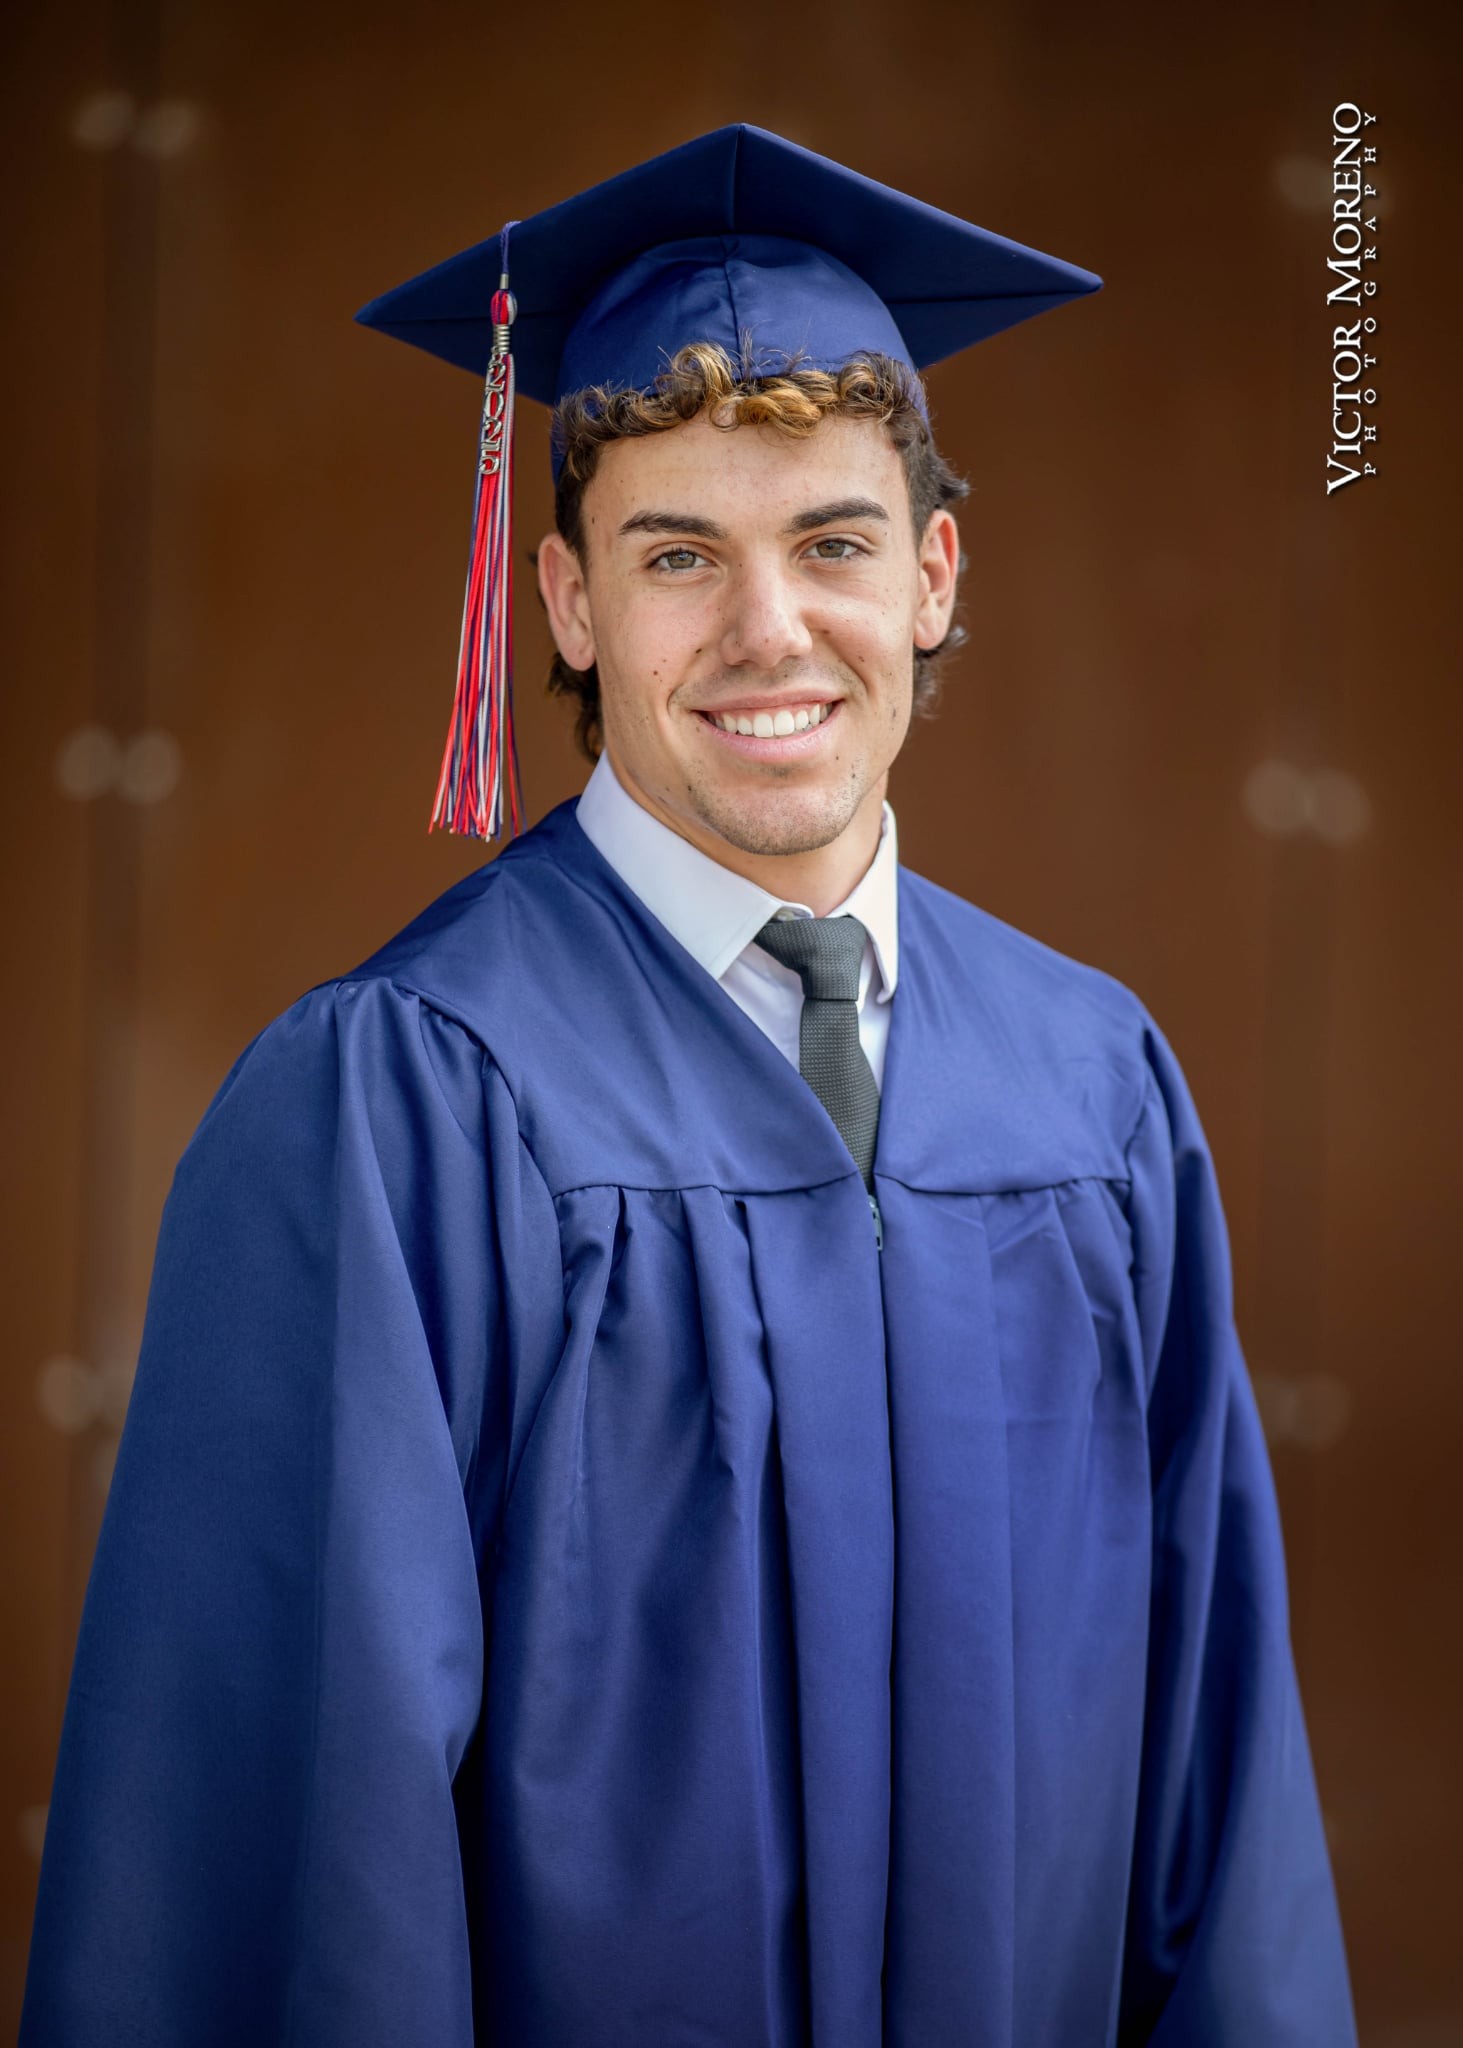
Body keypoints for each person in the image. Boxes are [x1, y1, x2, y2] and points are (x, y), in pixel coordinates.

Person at [20, 125, 1356, 2046]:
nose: (767, 631)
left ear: (933, 577)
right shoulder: (405, 1105)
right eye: (678, 558)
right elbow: (287, 1849)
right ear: (566, 604)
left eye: (832, 542)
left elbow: (1222, 1822)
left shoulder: (1098, 1095)